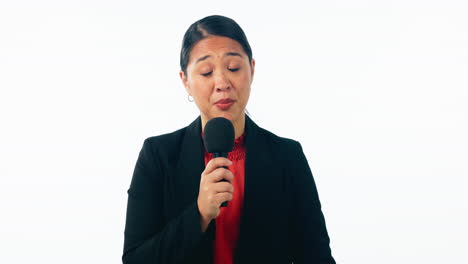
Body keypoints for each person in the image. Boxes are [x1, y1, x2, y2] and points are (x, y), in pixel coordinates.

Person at [122, 15, 336, 264]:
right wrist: (200, 214)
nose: (222, 82)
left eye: (233, 68)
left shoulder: (286, 156)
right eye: (206, 72)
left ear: (252, 69)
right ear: (186, 81)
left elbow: (316, 257)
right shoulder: (158, 155)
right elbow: (135, 260)